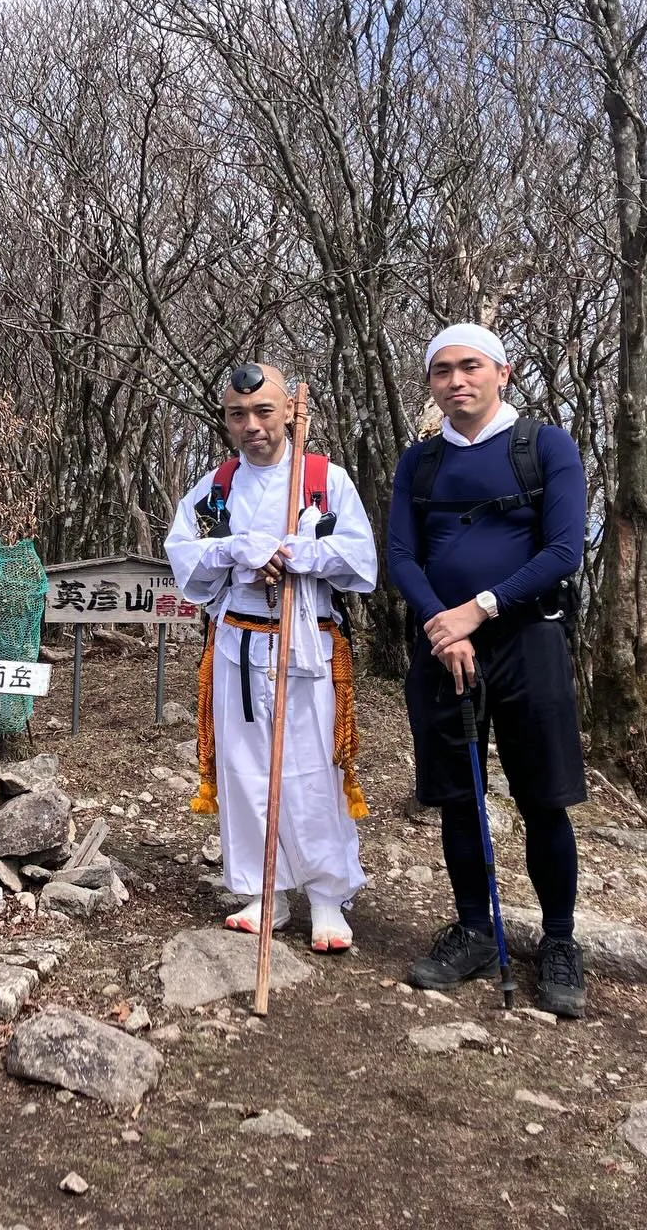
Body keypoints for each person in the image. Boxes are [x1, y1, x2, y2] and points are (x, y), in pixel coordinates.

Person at [387, 323, 589, 1017]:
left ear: (503, 371)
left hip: (528, 638)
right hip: (444, 647)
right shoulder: (421, 463)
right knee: (457, 794)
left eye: (469, 367)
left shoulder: (545, 446)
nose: (455, 381)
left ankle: (559, 941)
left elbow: (565, 550)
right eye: (441, 371)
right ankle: (474, 927)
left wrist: (477, 610)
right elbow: (402, 558)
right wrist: (443, 628)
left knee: (542, 798)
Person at [165, 363, 378, 952]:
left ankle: (329, 895)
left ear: (289, 410)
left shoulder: (324, 480)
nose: (252, 425)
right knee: (244, 769)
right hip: (238, 642)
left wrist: (305, 553)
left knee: (312, 768)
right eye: (239, 414)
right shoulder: (217, 487)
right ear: (227, 419)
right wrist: (236, 551)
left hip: (307, 643)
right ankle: (264, 890)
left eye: (264, 412)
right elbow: (184, 558)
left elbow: (363, 561)